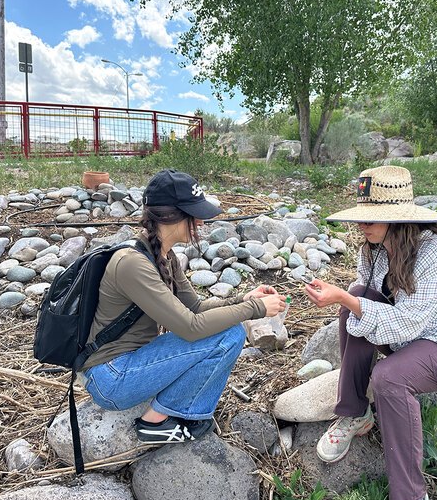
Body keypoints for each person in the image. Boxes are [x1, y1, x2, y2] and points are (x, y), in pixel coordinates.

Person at [303, 166, 437, 500]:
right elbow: (368, 302)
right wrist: (347, 299)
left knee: (388, 376)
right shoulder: (372, 250)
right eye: (362, 217)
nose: (362, 225)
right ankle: (355, 412)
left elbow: (408, 322)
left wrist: (347, 300)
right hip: (407, 339)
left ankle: (412, 497)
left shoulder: (434, 254)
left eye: (373, 218)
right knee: (355, 297)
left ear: (398, 218)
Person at [80, 169, 287, 443]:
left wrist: (243, 299)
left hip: (130, 364)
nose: (200, 222)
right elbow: (190, 328)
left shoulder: (162, 256)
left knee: (227, 331)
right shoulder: (133, 263)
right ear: (171, 216)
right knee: (230, 335)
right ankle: (155, 422)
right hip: (112, 377)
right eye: (195, 214)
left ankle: (174, 409)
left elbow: (197, 308)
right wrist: (256, 310)